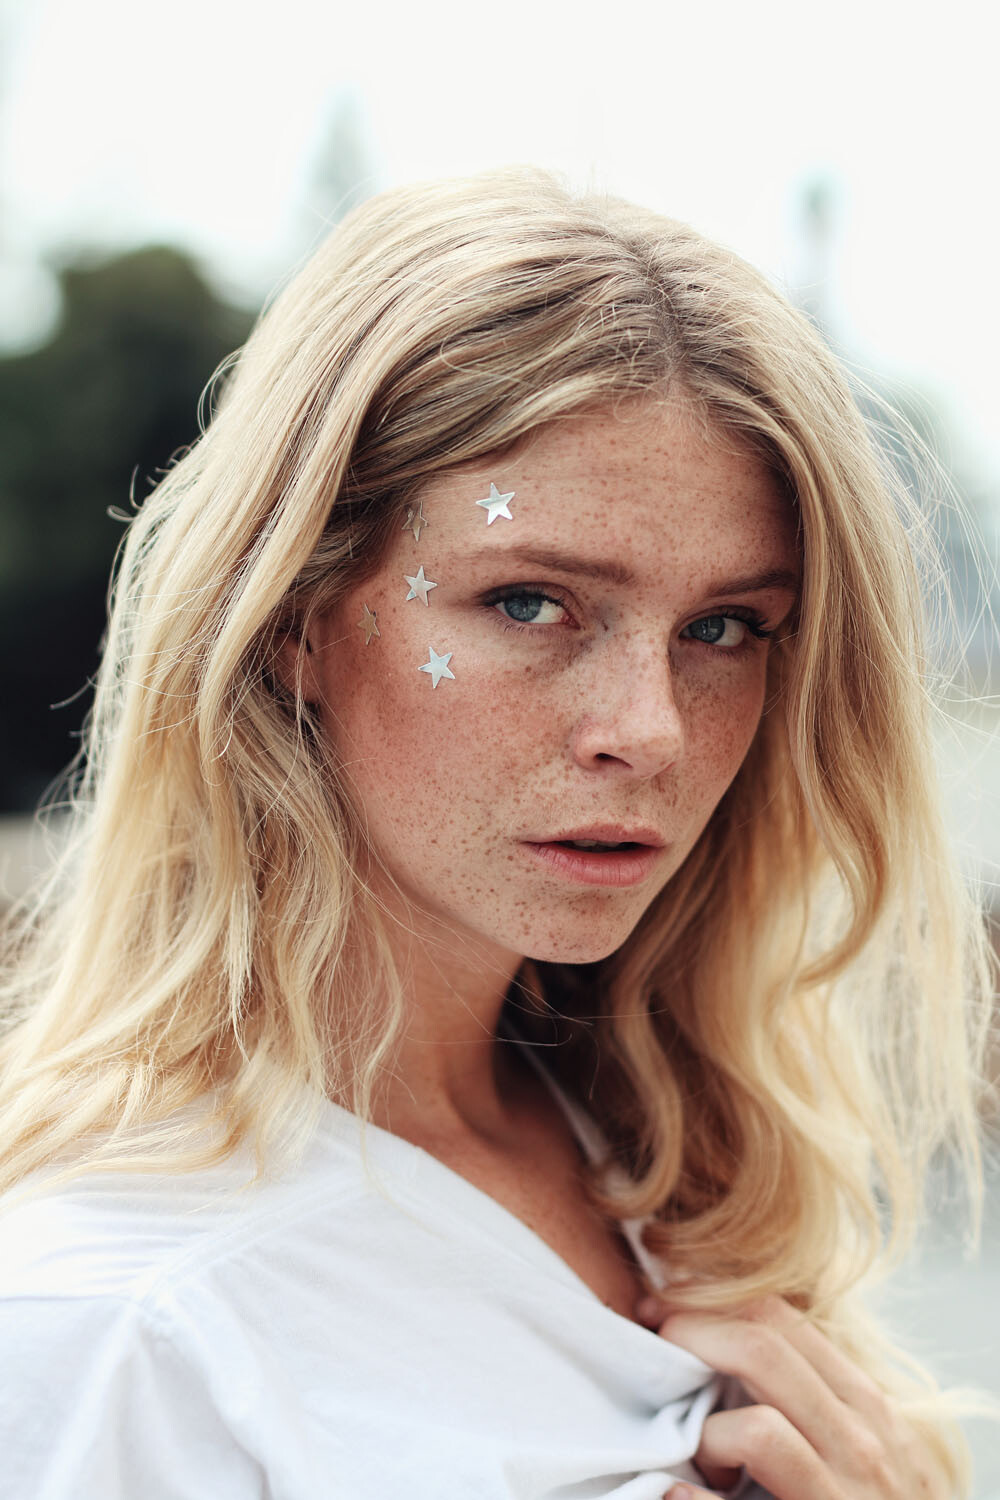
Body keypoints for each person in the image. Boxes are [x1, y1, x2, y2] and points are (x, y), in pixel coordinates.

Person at [0, 166, 992, 1499]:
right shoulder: (116, 1325)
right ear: (295, 617)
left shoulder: (668, 1166)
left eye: (723, 627)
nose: (650, 729)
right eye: (531, 602)